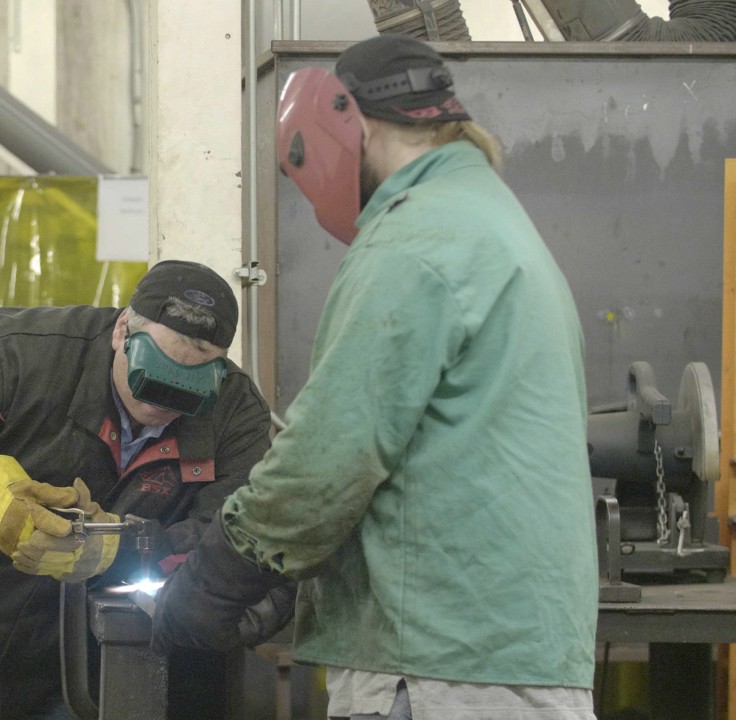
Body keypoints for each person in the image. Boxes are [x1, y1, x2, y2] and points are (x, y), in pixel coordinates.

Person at [153, 34, 598, 720]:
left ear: (343, 120)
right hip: (508, 656)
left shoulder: (415, 241)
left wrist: (218, 574)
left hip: (437, 664)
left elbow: (328, 459)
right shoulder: (491, 222)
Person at [0, 260, 275, 719]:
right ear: (122, 331)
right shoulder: (24, 351)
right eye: (152, 380)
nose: (162, 405)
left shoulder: (235, 414)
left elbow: (237, 537)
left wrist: (120, 548)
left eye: (186, 394)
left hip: (58, 663)